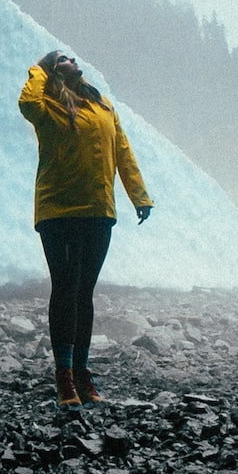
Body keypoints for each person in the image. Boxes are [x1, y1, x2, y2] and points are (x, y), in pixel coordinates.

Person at [19, 51, 153, 409]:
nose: (73, 60)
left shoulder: (103, 105)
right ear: (53, 71)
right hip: (59, 210)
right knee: (65, 287)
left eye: (72, 57)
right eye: (63, 58)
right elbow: (26, 102)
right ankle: (63, 376)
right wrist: (40, 66)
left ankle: (81, 370)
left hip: (98, 211)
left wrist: (138, 194)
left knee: (84, 292)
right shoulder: (46, 105)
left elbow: (122, 149)